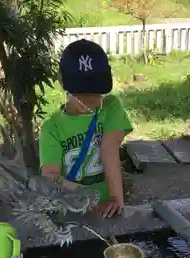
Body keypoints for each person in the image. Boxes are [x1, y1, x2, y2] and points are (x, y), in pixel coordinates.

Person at [39, 39, 133, 218]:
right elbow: (50, 176)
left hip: (106, 209)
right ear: (64, 85)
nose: (91, 99)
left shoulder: (111, 107)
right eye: (81, 93)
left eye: (96, 92)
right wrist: (84, 193)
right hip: (68, 213)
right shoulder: (52, 128)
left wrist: (115, 199)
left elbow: (109, 149)